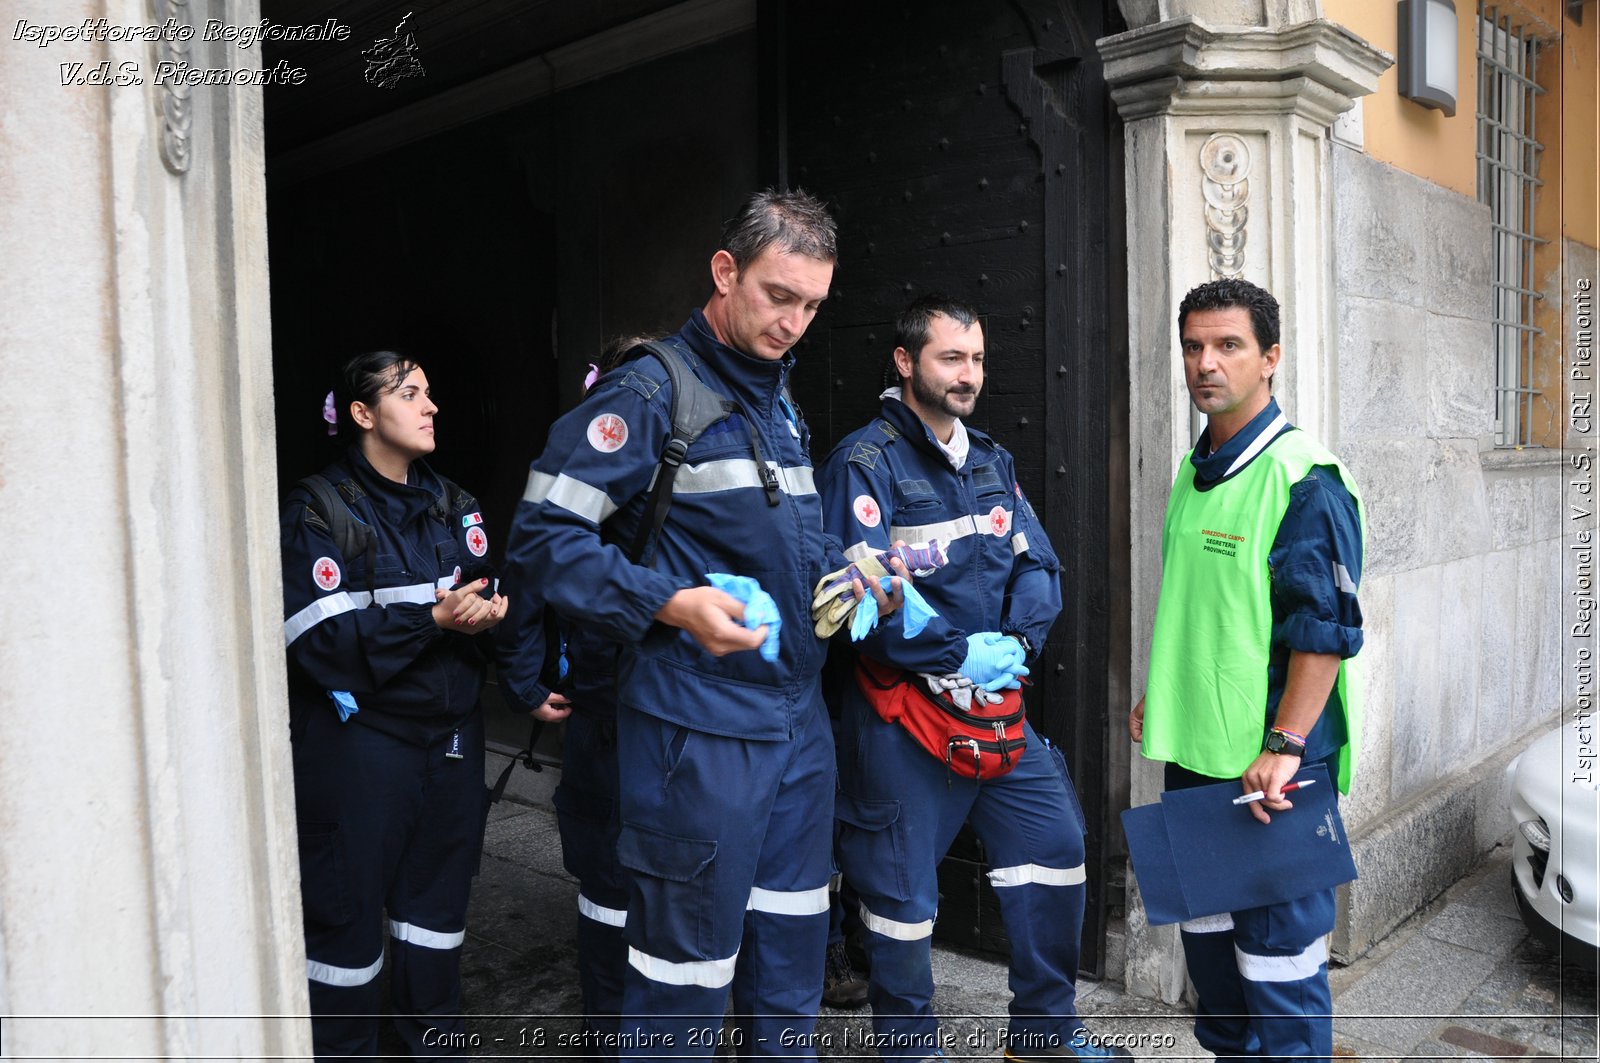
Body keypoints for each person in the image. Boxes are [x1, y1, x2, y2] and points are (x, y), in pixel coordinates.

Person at [511, 189, 905, 1058]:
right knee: (684, 986)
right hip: (698, 731)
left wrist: (849, 568)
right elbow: (541, 538)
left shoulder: (781, 402)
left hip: (798, 729)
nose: (794, 322)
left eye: (811, 305)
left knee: (792, 965)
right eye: (778, 295)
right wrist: (667, 603)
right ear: (725, 272)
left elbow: (778, 536)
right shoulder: (652, 390)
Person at [818, 294, 1129, 1061]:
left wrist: (1015, 640)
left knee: (1055, 847)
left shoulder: (991, 458)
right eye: (951, 357)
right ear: (905, 362)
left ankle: (1043, 1037)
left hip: (995, 711)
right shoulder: (864, 464)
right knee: (900, 905)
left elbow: (1037, 562)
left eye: (978, 359)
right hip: (903, 719)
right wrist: (956, 653)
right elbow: (859, 600)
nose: (969, 375)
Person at [281, 351, 564, 1058]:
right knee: (344, 926)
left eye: (430, 392)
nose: (430, 405)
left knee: (435, 921)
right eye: (409, 393)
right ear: (362, 413)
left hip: (451, 744)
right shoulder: (318, 510)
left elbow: (487, 600)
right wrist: (432, 622)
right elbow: (317, 640)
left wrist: (513, 665)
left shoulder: (455, 504)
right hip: (360, 747)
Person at [1129, 278, 1366, 1063]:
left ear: (1269, 357)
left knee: (1281, 965)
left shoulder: (1305, 476)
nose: (1206, 361)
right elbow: (1204, 606)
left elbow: (1323, 632)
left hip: (1273, 766)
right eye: (1193, 345)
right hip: (1197, 757)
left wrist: (1288, 742)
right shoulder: (1196, 467)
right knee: (1215, 967)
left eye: (1228, 344)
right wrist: (1157, 692)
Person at [497, 335, 654, 1056]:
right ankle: (609, 1031)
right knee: (607, 885)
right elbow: (531, 573)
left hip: (677, 705)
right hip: (604, 703)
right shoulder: (594, 463)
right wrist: (528, 681)